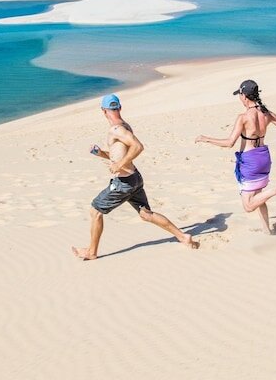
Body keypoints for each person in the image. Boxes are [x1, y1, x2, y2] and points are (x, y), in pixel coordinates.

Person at [72, 94, 198, 261]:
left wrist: (119, 164)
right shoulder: (124, 126)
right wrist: (101, 153)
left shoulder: (117, 129)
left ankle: (92, 252)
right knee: (146, 214)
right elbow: (119, 155)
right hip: (134, 179)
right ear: (119, 108)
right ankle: (183, 237)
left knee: (95, 211)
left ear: (103, 111)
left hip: (124, 183)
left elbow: (138, 147)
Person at [195, 79, 276, 234]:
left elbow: (229, 143)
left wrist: (206, 138)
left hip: (250, 162)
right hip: (264, 158)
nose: (240, 98)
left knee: (248, 205)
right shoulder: (267, 114)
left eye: (240, 95)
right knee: (258, 196)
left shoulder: (243, 117)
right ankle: (267, 230)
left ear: (245, 96)